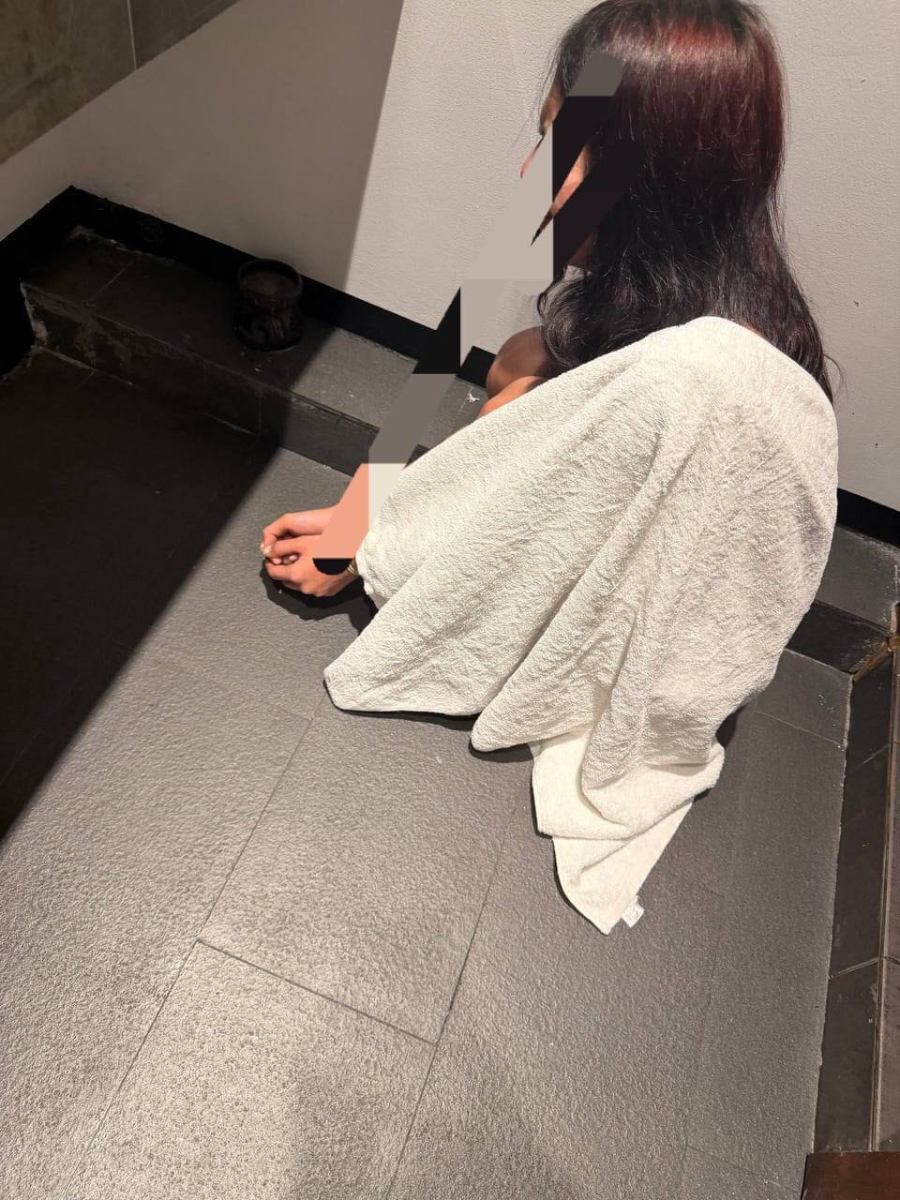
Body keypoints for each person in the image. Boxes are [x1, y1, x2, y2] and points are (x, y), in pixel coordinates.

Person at [260, 0, 838, 597]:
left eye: (570, 147)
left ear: (658, 182)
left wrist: (368, 555)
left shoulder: (699, 377)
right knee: (522, 358)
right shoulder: (696, 258)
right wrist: (357, 516)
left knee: (513, 404)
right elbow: (458, 330)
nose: (531, 171)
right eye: (548, 137)